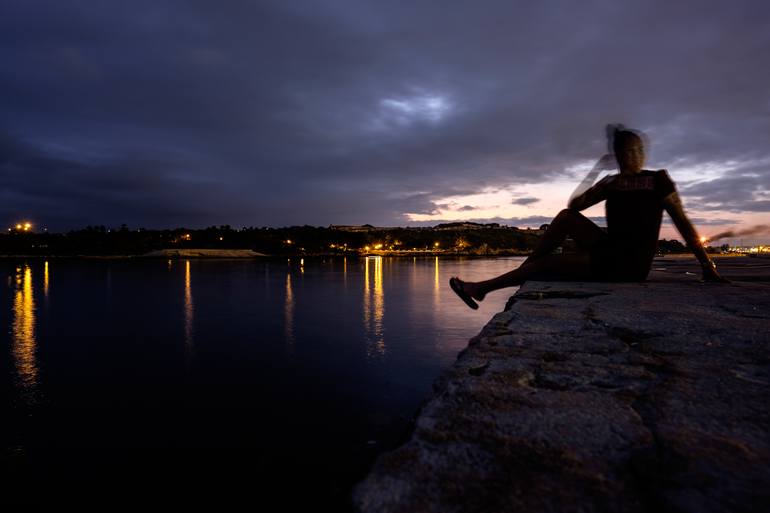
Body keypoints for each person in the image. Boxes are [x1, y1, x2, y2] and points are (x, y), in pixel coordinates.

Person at [449, 126, 728, 310]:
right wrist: (597, 172)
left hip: (628, 263)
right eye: (626, 152)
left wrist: (707, 264)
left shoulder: (657, 181)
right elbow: (575, 206)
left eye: (638, 150)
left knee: (546, 263)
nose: (634, 156)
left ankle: (481, 288)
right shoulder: (611, 183)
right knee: (566, 217)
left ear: (644, 153)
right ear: (617, 155)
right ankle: (525, 271)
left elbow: (682, 222)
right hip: (609, 247)